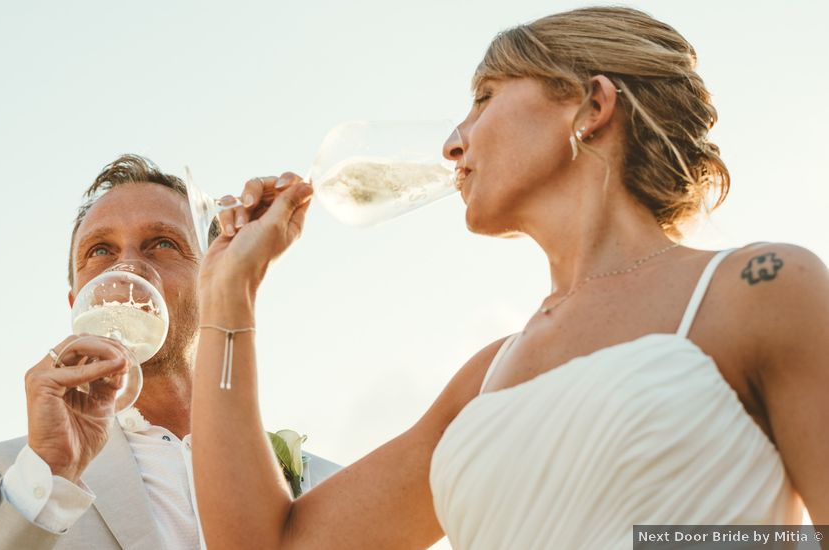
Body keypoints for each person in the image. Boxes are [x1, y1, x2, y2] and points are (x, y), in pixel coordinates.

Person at [188, 7, 828, 549]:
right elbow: (266, 544)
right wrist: (228, 292)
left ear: (592, 106)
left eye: (485, 96)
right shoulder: (482, 382)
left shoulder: (761, 288)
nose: (452, 144)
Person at [0, 155, 340, 550]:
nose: (126, 268)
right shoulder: (9, 474)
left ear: (213, 273)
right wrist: (50, 475)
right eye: (100, 251)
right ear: (77, 300)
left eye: (162, 243)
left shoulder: (327, 483)